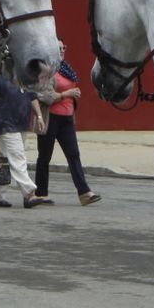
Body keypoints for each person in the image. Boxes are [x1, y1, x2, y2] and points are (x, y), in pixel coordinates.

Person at [33, 47, 101, 206]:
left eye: (64, 47)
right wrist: (66, 94)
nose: (62, 50)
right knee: (45, 156)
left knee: (74, 154)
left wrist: (72, 95)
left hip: (67, 119)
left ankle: (84, 193)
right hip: (51, 118)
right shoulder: (46, 69)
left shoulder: (66, 69)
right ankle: (41, 193)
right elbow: (44, 95)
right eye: (59, 48)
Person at [0, 69, 46, 209]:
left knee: (6, 160)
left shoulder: (23, 73)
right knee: (18, 157)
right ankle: (29, 194)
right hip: (4, 123)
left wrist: (39, 116)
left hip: (21, 123)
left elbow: (32, 95)